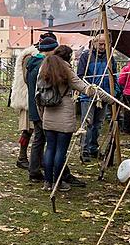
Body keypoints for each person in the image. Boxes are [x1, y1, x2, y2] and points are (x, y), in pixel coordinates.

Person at [38, 45, 111, 191]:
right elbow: (85, 88)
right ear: (68, 57)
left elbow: (37, 94)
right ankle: (58, 182)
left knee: (50, 148)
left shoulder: (44, 69)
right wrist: (109, 98)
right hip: (64, 114)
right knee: (60, 151)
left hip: (48, 113)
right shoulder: (66, 70)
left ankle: (47, 182)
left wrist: (42, 115)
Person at [76, 35, 117, 160]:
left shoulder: (110, 58)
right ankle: (85, 150)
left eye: (105, 44)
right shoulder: (86, 56)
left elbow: (113, 76)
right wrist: (91, 89)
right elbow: (80, 76)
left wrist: (114, 91)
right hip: (89, 95)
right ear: (94, 43)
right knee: (87, 123)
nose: (102, 47)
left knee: (98, 124)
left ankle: (93, 148)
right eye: (100, 44)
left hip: (104, 95)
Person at [25, 33, 59, 181]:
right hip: (42, 107)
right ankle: (43, 168)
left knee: (39, 139)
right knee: (47, 141)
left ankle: (34, 170)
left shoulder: (32, 63)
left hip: (34, 105)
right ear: (50, 50)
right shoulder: (43, 65)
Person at [10, 43, 39, 169]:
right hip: (28, 98)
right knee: (27, 130)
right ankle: (22, 157)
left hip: (34, 98)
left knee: (37, 131)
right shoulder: (29, 56)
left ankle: (37, 158)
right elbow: (28, 78)